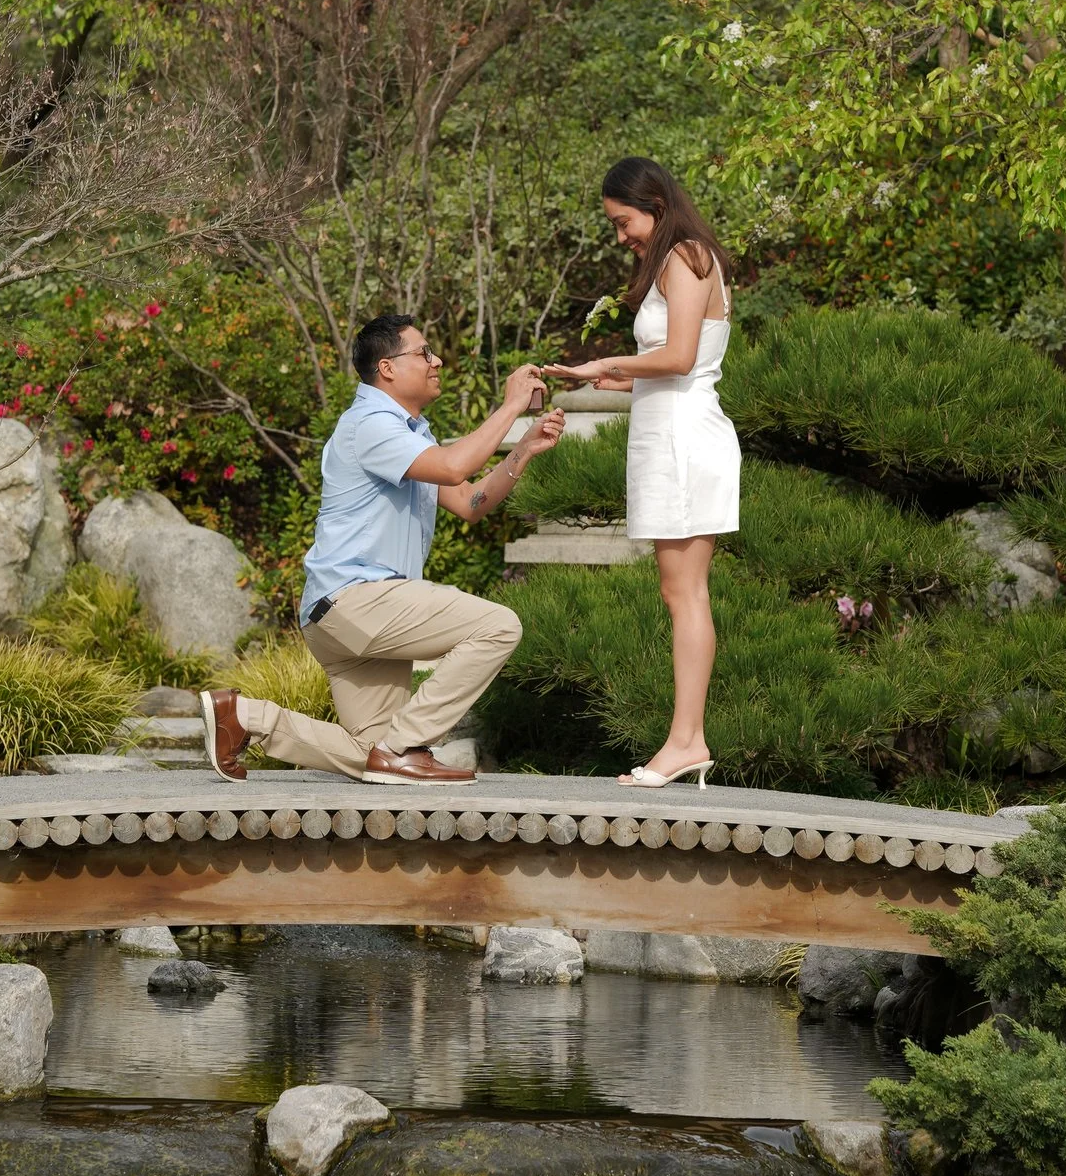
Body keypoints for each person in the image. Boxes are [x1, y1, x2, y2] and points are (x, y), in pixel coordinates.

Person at [201, 316, 567, 785]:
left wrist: (524, 452)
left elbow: (468, 502)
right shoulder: (369, 424)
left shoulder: (409, 433)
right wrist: (512, 407)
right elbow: (455, 467)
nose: (436, 361)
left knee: (367, 754)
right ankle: (405, 748)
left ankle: (244, 718)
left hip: (338, 611)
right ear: (388, 368)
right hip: (359, 598)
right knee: (498, 626)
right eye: (424, 352)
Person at [547, 157, 740, 789]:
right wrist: (610, 374)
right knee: (676, 592)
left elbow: (681, 357)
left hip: (685, 436)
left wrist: (608, 358)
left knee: (686, 594)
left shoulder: (687, 255)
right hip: (668, 431)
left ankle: (686, 740)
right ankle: (688, 738)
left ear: (655, 205)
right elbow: (667, 360)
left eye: (623, 221)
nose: (621, 234)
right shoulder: (671, 260)